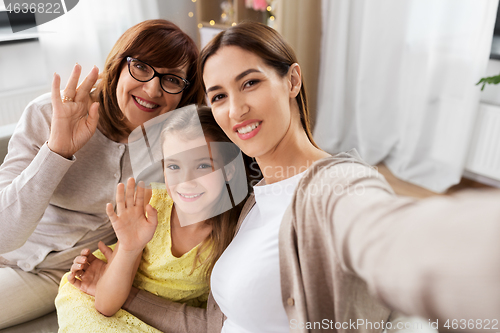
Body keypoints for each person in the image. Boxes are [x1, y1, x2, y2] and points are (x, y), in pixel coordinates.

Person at [71, 21, 500, 333]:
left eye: (250, 83)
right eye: (219, 95)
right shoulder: (249, 197)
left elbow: (388, 233)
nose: (235, 110)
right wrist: (123, 289)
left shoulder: (335, 187)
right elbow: (214, 323)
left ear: (292, 80)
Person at [0, 19, 203, 329]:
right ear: (119, 64)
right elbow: (5, 234)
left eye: (172, 80)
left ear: (183, 94)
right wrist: (57, 150)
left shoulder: (175, 147)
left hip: (57, 273)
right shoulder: (48, 114)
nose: (152, 88)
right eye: (142, 67)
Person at [55, 106, 250, 332]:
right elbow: (105, 305)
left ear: (228, 170)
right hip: (104, 294)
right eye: (174, 166)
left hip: (162, 319)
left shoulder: (236, 232)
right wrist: (129, 247)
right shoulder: (150, 202)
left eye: (203, 165)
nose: (186, 181)